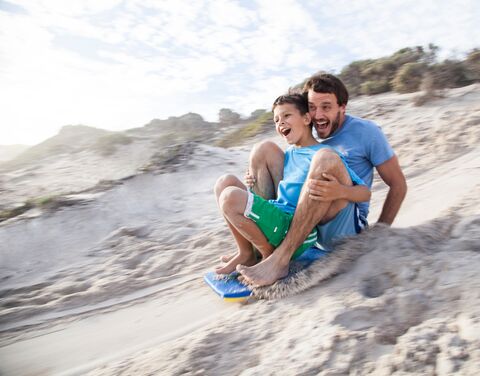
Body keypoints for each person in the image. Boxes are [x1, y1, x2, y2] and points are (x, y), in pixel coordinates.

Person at [237, 73, 407, 286]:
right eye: (312, 107)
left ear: (342, 107)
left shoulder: (366, 132)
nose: (318, 115)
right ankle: (262, 248)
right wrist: (256, 175)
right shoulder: (308, 134)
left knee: (325, 158)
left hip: (340, 220)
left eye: (326, 107)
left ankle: (281, 258)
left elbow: (398, 184)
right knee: (263, 150)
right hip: (306, 216)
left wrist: (380, 231)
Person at [214, 93, 370, 275]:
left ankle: (273, 255)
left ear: (305, 118)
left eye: (286, 116)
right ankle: (247, 252)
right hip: (290, 218)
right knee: (226, 181)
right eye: (276, 120)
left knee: (324, 158)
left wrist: (340, 191)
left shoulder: (324, 153)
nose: (280, 123)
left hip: (325, 229)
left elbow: (365, 193)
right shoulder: (288, 155)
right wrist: (252, 181)